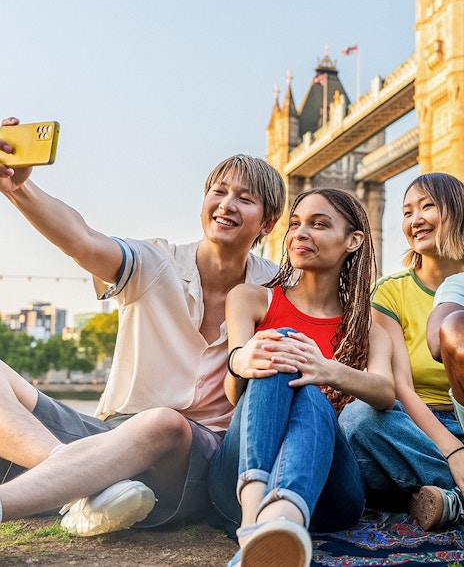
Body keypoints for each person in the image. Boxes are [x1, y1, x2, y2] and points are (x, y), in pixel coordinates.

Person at [0, 116, 286, 536]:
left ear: (268, 224)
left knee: (163, 422)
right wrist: (18, 187)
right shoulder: (155, 262)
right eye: (218, 192)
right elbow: (81, 239)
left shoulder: (279, 288)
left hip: (200, 457)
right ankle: (87, 484)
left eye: (244, 198)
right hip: (111, 434)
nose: (226, 204)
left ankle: (25, 498)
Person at [209, 188, 395, 567]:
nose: (299, 233)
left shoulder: (368, 327)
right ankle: (260, 527)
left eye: (319, 224)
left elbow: (386, 393)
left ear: (353, 241)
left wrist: (325, 369)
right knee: (281, 345)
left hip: (329, 490)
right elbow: (234, 396)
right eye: (295, 224)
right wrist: (242, 360)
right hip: (239, 475)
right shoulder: (250, 298)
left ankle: (271, 527)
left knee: (308, 387)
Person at [339, 172, 464, 532]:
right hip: (415, 429)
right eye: (407, 212)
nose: (415, 220)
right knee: (358, 421)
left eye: (428, 206)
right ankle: (450, 484)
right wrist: (453, 451)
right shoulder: (389, 292)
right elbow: (401, 387)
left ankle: (443, 498)